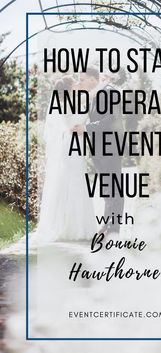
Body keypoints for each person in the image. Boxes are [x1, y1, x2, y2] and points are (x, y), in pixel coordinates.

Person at [37, 75, 97, 242]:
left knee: (72, 181)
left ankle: (71, 224)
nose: (78, 84)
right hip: (71, 145)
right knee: (73, 181)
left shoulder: (72, 101)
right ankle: (74, 227)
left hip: (71, 146)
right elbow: (71, 125)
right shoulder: (68, 104)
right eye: (75, 83)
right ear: (70, 88)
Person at [72, 67, 124, 235]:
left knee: (113, 187)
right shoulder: (95, 95)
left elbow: (110, 119)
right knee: (106, 187)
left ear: (93, 79)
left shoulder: (110, 92)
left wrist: (86, 128)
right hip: (98, 148)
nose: (80, 82)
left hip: (111, 146)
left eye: (82, 79)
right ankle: (108, 224)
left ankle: (114, 228)